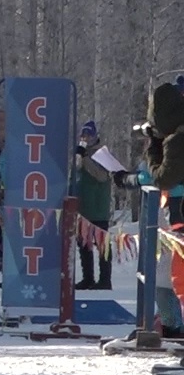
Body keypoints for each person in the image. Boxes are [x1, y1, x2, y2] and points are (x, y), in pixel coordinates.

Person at [72, 121, 114, 290]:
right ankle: (87, 277)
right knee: (84, 244)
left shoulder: (102, 154)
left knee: (102, 245)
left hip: (98, 208)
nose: (86, 138)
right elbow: (75, 172)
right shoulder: (81, 154)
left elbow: (101, 175)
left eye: (88, 135)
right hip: (83, 208)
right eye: (83, 135)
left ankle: (105, 279)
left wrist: (85, 158)